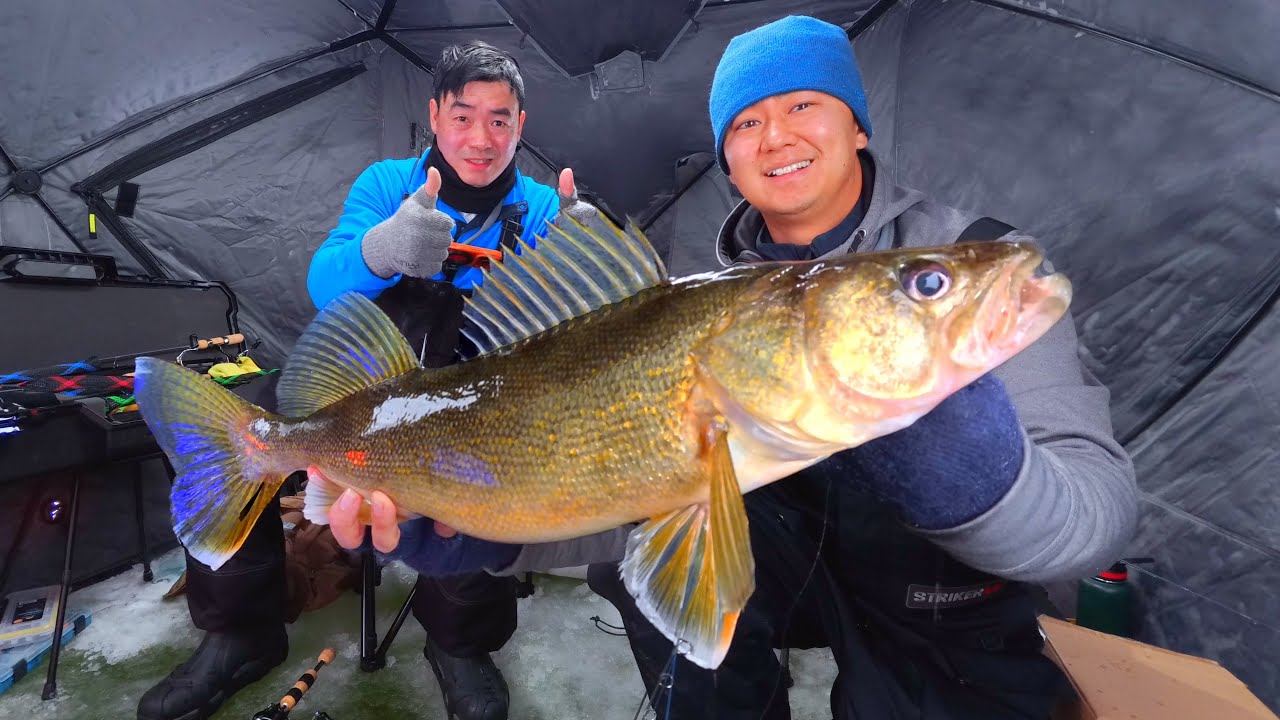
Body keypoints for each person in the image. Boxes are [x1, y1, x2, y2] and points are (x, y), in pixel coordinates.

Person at [326, 15, 1139, 720]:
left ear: (857, 125)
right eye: (746, 122)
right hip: (768, 584)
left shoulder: (977, 267)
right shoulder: (693, 298)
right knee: (661, 599)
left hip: (941, 598)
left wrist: (974, 477)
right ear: (727, 156)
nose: (776, 134)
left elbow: (1092, 521)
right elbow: (621, 491)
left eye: (803, 105)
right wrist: (486, 540)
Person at [137, 40, 596, 720]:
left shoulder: (542, 206)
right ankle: (241, 630)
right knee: (237, 429)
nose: (481, 137)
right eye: (464, 116)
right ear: (435, 116)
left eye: (500, 120)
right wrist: (382, 250)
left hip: (477, 398)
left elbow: (568, 338)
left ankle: (459, 644)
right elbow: (326, 282)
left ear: (521, 127)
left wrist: (585, 267)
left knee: (497, 461)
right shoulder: (386, 183)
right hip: (361, 383)